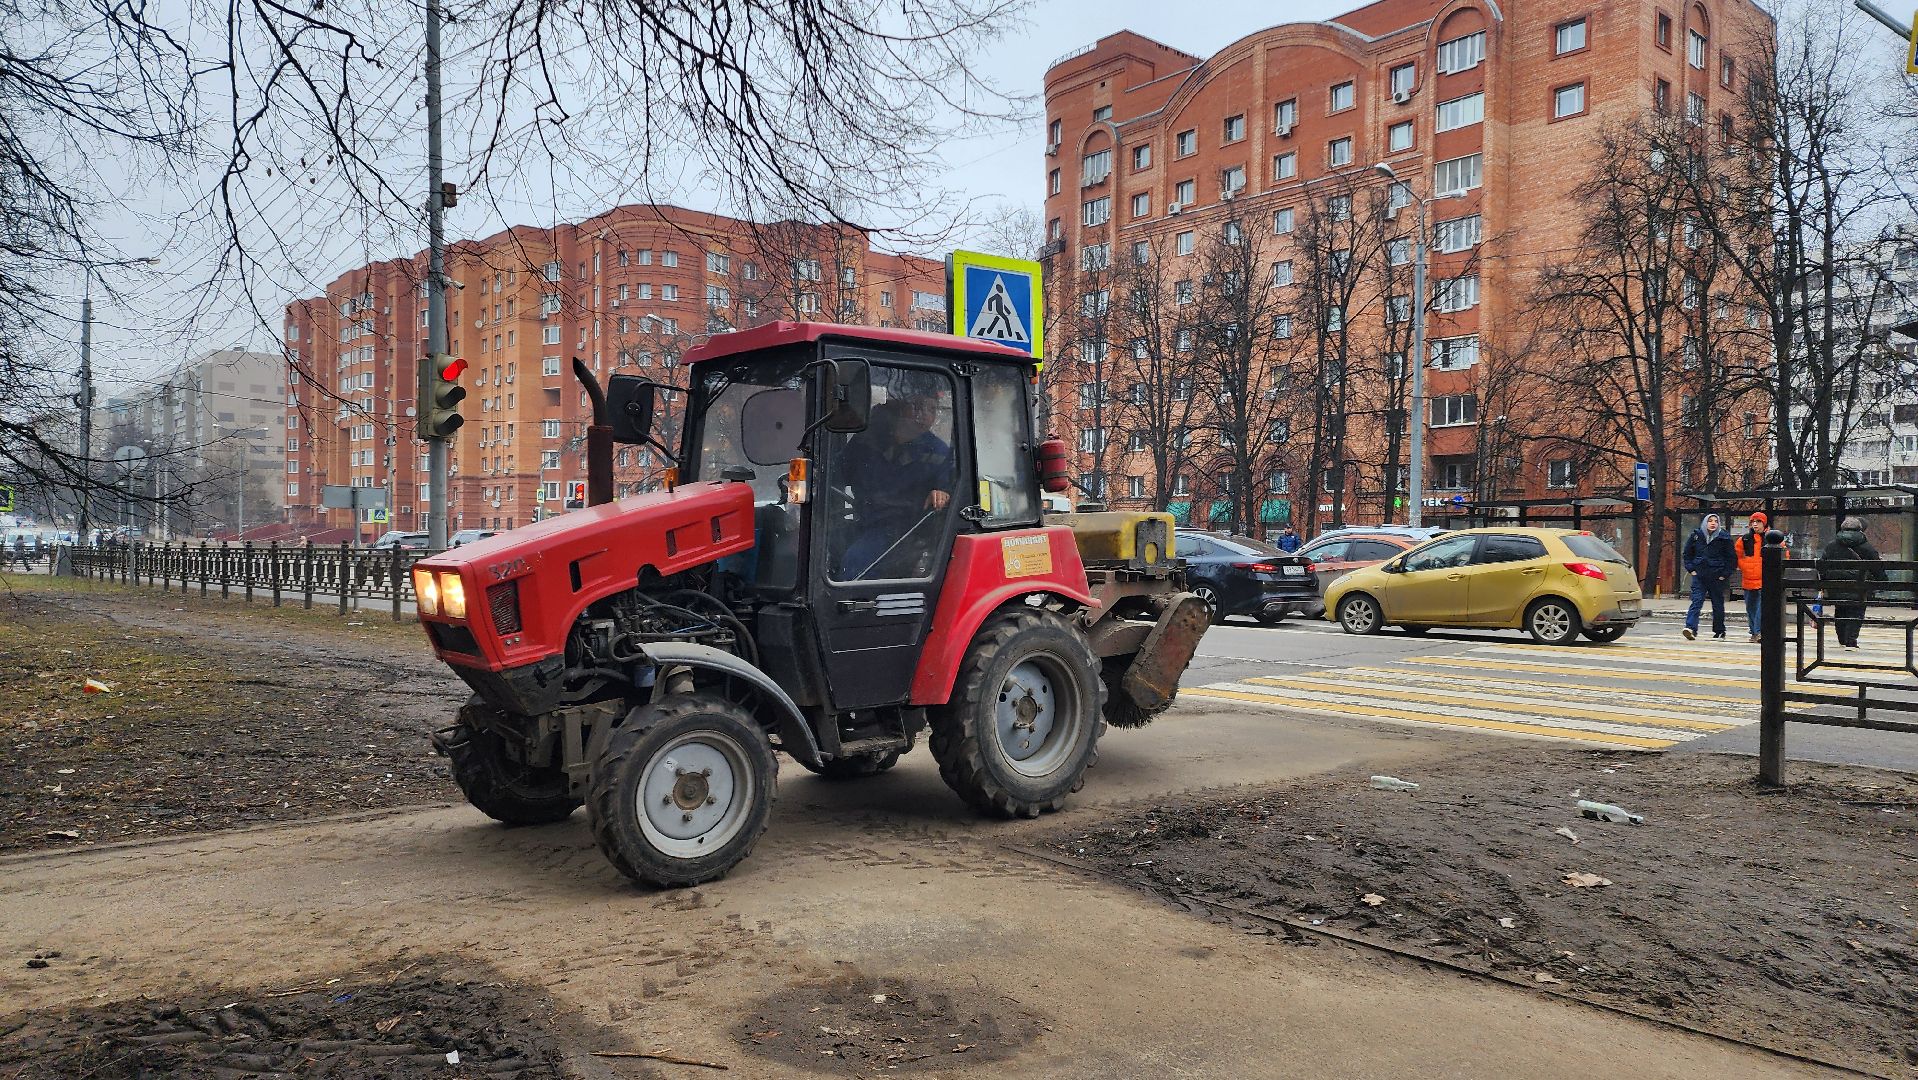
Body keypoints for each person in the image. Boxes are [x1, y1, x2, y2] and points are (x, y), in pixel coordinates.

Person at [839, 392, 954, 579]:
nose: (923, 415)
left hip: (903, 531)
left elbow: (948, 488)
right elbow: (836, 473)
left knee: (854, 562)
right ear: (901, 408)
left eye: (931, 409)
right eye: (916, 406)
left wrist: (942, 493)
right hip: (863, 520)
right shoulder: (868, 440)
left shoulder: (938, 452)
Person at [1820, 517, 1883, 651]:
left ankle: (1842, 640)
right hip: (1859, 588)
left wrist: (1826, 581)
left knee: (1840, 610)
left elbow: (1822, 565)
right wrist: (1882, 582)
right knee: (1856, 611)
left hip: (1836, 586)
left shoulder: (1831, 545)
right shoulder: (1866, 547)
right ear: (1860, 530)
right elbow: (1877, 568)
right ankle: (1851, 641)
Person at [1681, 513, 1736, 640]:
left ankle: (1719, 630)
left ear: (1718, 524)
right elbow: (1687, 554)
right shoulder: (1696, 535)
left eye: (1715, 521)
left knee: (1717, 604)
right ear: (1705, 523)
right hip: (1699, 575)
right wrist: (1691, 570)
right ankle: (1690, 628)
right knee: (1696, 601)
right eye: (1710, 521)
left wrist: (1724, 574)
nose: (1712, 523)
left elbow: (1731, 558)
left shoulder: (1724, 538)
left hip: (1717, 576)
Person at [1733, 512, 1784, 643]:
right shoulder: (1744, 539)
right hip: (1749, 579)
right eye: (1753, 521)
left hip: (1765, 579)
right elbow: (1736, 556)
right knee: (1751, 608)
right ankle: (1755, 632)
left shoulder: (1772, 537)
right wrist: (1745, 566)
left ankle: (1758, 632)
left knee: (1761, 608)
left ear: (1764, 523)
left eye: (1758, 521)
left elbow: (1784, 555)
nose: (1755, 524)